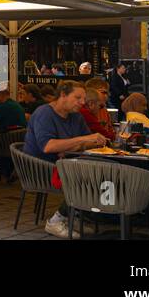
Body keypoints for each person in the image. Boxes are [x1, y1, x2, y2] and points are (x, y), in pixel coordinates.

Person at [22, 80, 108, 238]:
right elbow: (48, 146)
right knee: (90, 175)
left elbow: (88, 142)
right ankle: (56, 220)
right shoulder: (44, 113)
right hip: (41, 169)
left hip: (66, 163)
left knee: (105, 169)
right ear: (63, 95)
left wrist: (73, 146)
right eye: (78, 98)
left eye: (83, 99)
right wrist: (80, 141)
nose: (82, 103)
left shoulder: (76, 116)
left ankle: (72, 216)